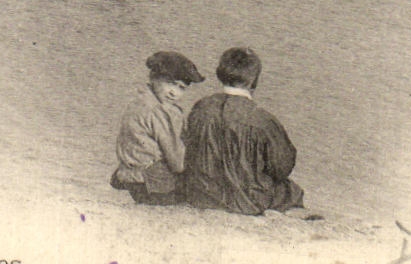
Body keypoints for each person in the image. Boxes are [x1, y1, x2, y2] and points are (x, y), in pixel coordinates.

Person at [181, 47, 305, 215]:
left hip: (202, 195)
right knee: (290, 191)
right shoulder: (262, 119)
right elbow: (282, 167)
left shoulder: (201, 107)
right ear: (254, 80)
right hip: (247, 201)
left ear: (220, 73)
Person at [110, 51, 204, 206]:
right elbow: (177, 163)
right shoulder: (158, 112)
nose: (174, 92)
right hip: (150, 181)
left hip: (131, 174)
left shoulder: (139, 101)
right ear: (153, 77)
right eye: (170, 83)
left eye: (181, 88)